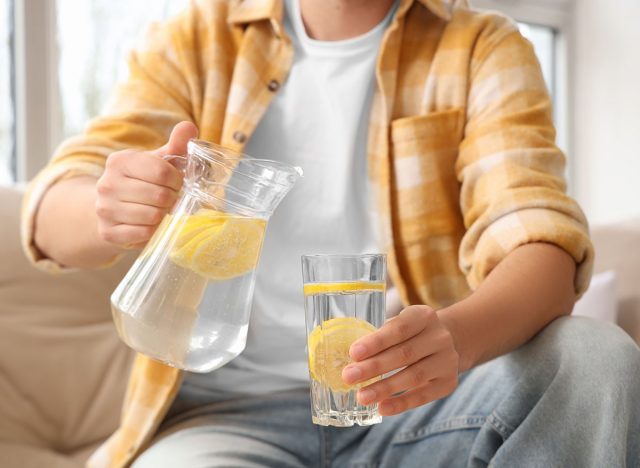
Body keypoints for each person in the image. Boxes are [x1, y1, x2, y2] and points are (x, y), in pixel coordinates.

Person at [23, 0, 640, 466]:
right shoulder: (196, 38)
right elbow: (53, 210)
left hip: (423, 405)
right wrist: (109, 207)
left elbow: (540, 240)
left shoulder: (481, 46)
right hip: (226, 417)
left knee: (595, 359)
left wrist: (456, 340)